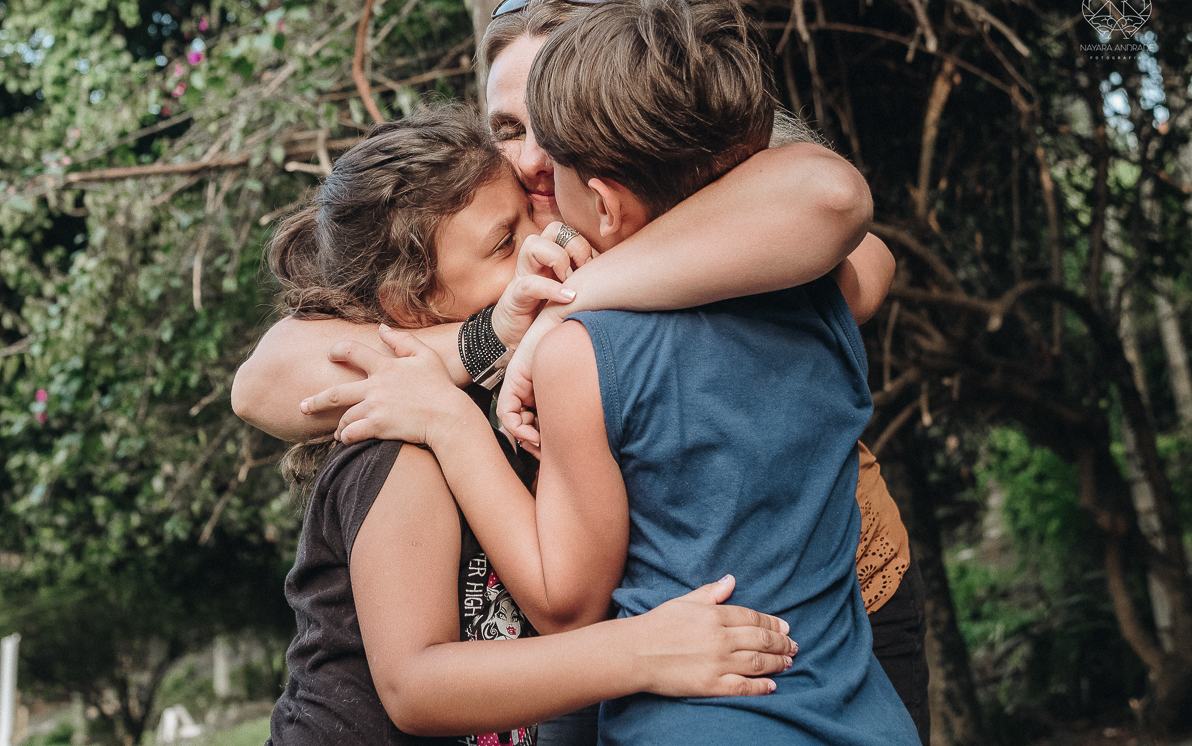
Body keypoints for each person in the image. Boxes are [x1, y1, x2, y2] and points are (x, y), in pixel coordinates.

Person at [236, 0, 926, 744]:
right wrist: (493, 336)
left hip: (827, 608)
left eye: (550, 118)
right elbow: (266, 383)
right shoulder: (470, 229)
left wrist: (570, 306)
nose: (532, 155)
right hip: (632, 647)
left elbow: (851, 247)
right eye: (505, 125)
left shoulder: (705, 215)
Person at [262, 105, 799, 746]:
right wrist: (644, 650)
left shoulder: (513, 396)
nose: (538, 245)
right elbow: (415, 687)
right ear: (411, 303)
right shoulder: (401, 441)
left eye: (528, 217)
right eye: (501, 244)